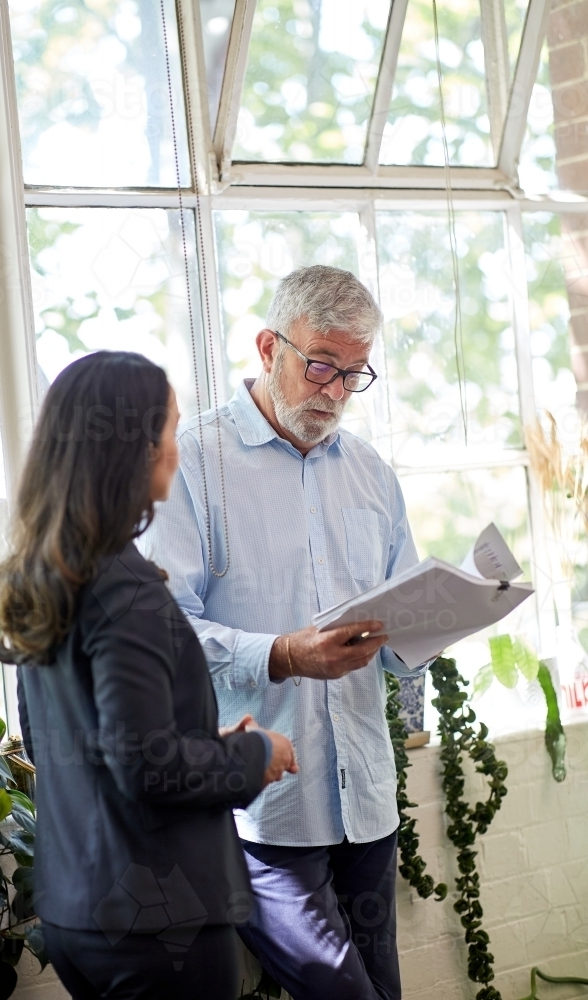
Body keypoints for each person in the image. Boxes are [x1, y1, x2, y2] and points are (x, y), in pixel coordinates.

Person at [142, 265, 428, 1000]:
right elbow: (162, 632)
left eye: (353, 374)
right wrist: (278, 654)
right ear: (268, 347)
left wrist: (431, 627)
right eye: (320, 366)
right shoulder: (192, 464)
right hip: (260, 812)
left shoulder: (370, 473)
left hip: (364, 795)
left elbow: (401, 633)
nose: (334, 393)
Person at [0, 350, 298, 1000]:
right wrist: (250, 753)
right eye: (167, 429)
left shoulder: (46, 577)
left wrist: (201, 740)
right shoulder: (123, 588)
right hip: (161, 927)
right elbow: (146, 768)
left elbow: (71, 746)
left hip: (79, 913)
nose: (174, 449)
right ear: (127, 447)